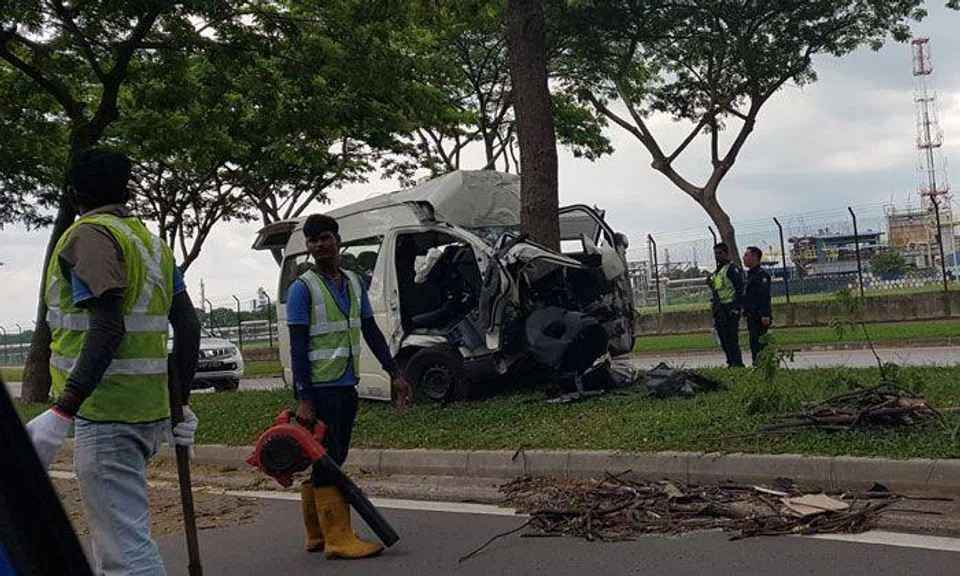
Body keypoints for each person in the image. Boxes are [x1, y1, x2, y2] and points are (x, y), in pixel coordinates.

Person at [24, 148, 202, 576]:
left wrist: (63, 408)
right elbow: (188, 324)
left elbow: (108, 327)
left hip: (106, 413)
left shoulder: (89, 237)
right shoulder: (151, 244)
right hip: (146, 411)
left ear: (73, 194)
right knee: (114, 541)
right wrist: (180, 401)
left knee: (125, 552)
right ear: (127, 190)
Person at [286, 213, 413, 560]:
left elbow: (371, 331)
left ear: (338, 240)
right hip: (320, 389)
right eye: (313, 240)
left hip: (345, 383)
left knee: (331, 457)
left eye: (325, 237)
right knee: (329, 459)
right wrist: (305, 398)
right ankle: (338, 539)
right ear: (308, 247)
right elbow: (298, 347)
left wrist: (394, 372)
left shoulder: (355, 283)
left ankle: (317, 533)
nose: (319, 245)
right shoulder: (302, 288)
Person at [706, 242, 744, 367]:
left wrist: (736, 308)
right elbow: (717, 291)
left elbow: (740, 289)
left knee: (731, 338)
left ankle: (737, 363)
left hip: (730, 307)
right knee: (723, 339)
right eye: (716, 253)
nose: (717, 256)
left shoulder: (732, 268)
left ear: (727, 254)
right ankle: (730, 362)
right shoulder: (718, 272)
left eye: (720, 253)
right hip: (720, 309)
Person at [742, 246, 773, 365]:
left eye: (746, 255)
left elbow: (764, 296)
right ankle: (757, 364)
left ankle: (764, 365)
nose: (744, 258)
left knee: (760, 343)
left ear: (755, 257)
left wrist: (765, 314)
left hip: (759, 315)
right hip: (751, 315)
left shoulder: (761, 275)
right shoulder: (750, 275)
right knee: (754, 343)